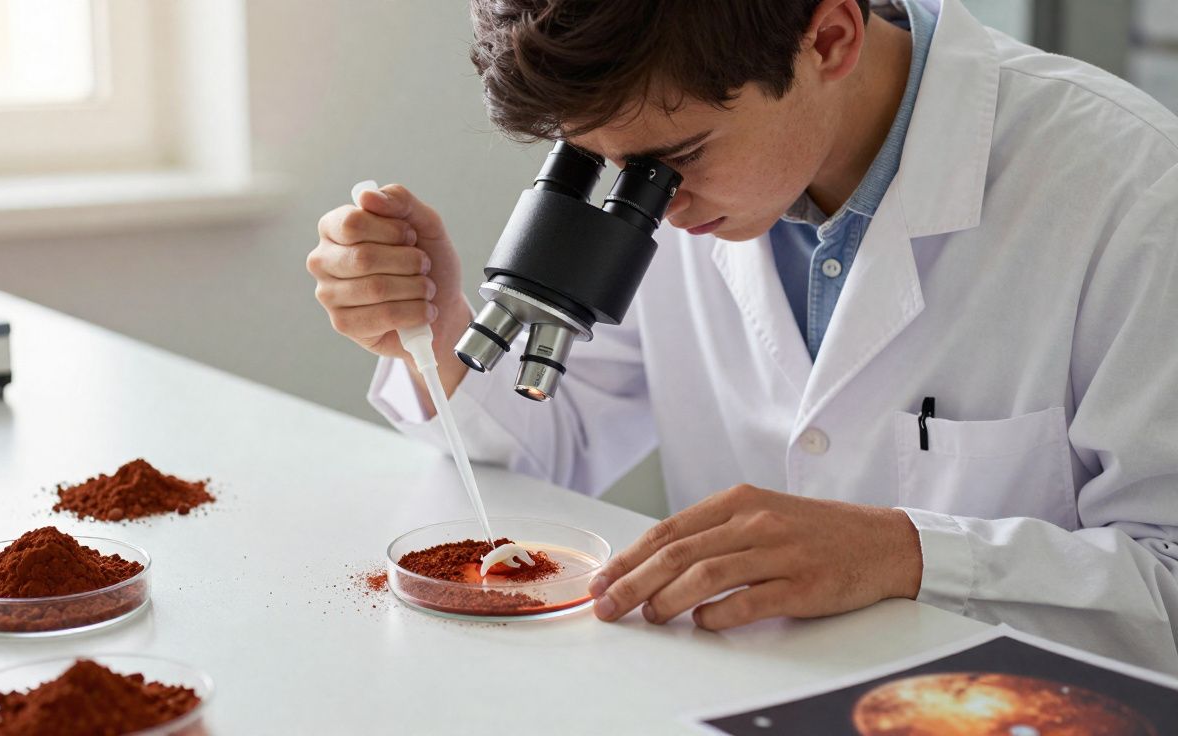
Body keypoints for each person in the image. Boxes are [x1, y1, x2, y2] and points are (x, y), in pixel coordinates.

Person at [309, 0, 1178, 674]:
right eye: (614, 167)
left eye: (677, 157)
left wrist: (908, 553)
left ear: (830, 38)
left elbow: (1168, 587)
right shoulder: (696, 158)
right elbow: (549, 453)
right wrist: (431, 326)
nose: (660, 206)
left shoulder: (1132, 191)